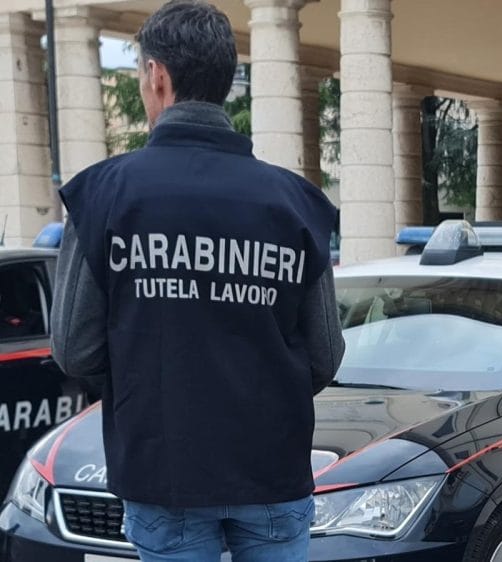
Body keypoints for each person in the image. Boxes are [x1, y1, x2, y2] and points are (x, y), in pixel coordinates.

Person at [50, 1, 344, 560]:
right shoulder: (297, 204)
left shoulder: (103, 195)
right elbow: (325, 355)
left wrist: (148, 382)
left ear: (157, 75)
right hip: (271, 467)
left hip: (164, 468)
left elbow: (74, 349)